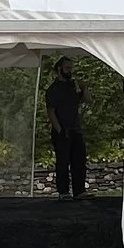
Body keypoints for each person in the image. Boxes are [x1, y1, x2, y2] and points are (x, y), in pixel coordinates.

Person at [45, 58, 87, 199]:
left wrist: (84, 88)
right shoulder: (53, 89)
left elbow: (88, 100)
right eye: (67, 68)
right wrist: (59, 129)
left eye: (71, 68)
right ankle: (63, 191)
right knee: (63, 162)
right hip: (62, 129)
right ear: (59, 69)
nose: (70, 71)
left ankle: (79, 190)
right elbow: (51, 111)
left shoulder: (72, 87)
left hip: (76, 128)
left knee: (79, 161)